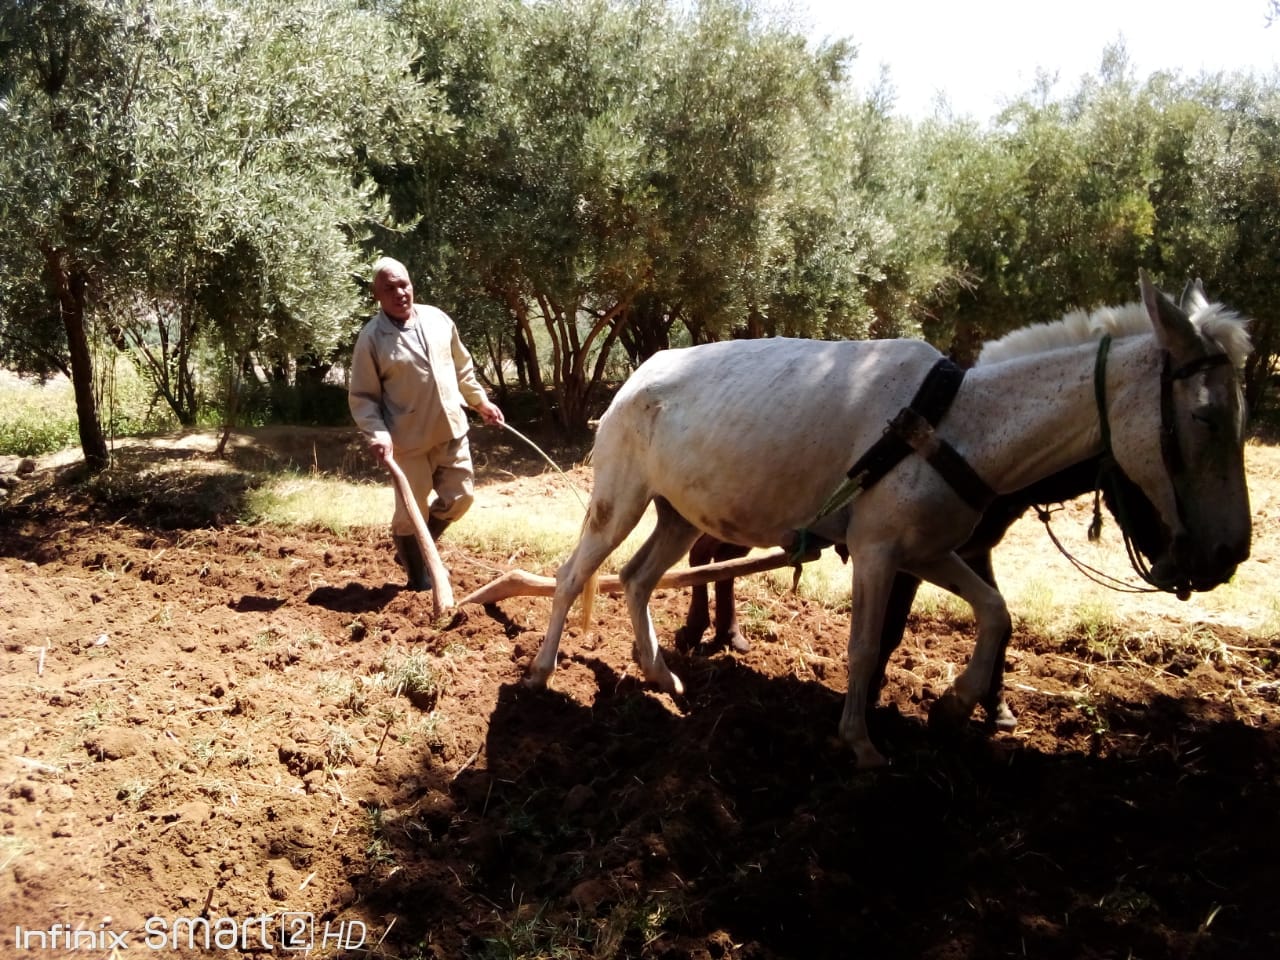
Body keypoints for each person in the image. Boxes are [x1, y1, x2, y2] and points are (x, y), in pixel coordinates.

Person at [348, 257, 504, 590]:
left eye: (403, 283)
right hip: (408, 441)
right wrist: (377, 433)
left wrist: (480, 402)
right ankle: (417, 577)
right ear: (377, 295)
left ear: (411, 283)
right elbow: (362, 397)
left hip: (451, 430)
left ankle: (416, 550)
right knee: (410, 513)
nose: (399, 292)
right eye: (389, 288)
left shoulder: (437, 320)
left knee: (461, 498)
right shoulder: (372, 338)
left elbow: (462, 369)